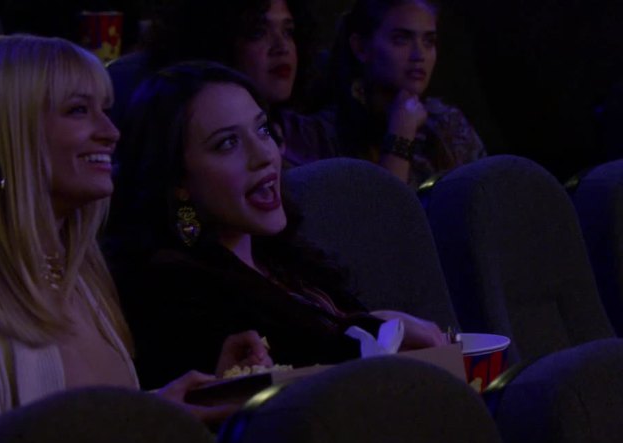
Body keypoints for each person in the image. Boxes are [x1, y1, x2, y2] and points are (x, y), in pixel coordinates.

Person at [0, 35, 267, 443]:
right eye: (78, 110)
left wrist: (196, 400)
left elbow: (105, 429)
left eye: (105, 110)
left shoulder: (84, 281)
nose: (111, 132)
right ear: (11, 135)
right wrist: (151, 422)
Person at [107, 61, 446, 390]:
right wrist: (380, 329)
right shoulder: (174, 289)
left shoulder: (284, 256)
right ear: (179, 181)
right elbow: (297, 385)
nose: (264, 155)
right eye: (228, 143)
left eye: (262, 129)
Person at [141, 0, 338, 167]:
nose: (282, 47)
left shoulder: (313, 135)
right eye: (258, 33)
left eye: (288, 32)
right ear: (218, 43)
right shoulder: (192, 144)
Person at [331, 0, 486, 187]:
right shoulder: (326, 132)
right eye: (401, 39)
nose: (419, 55)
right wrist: (401, 132)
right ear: (361, 48)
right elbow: (384, 204)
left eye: (429, 41)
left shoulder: (449, 125)